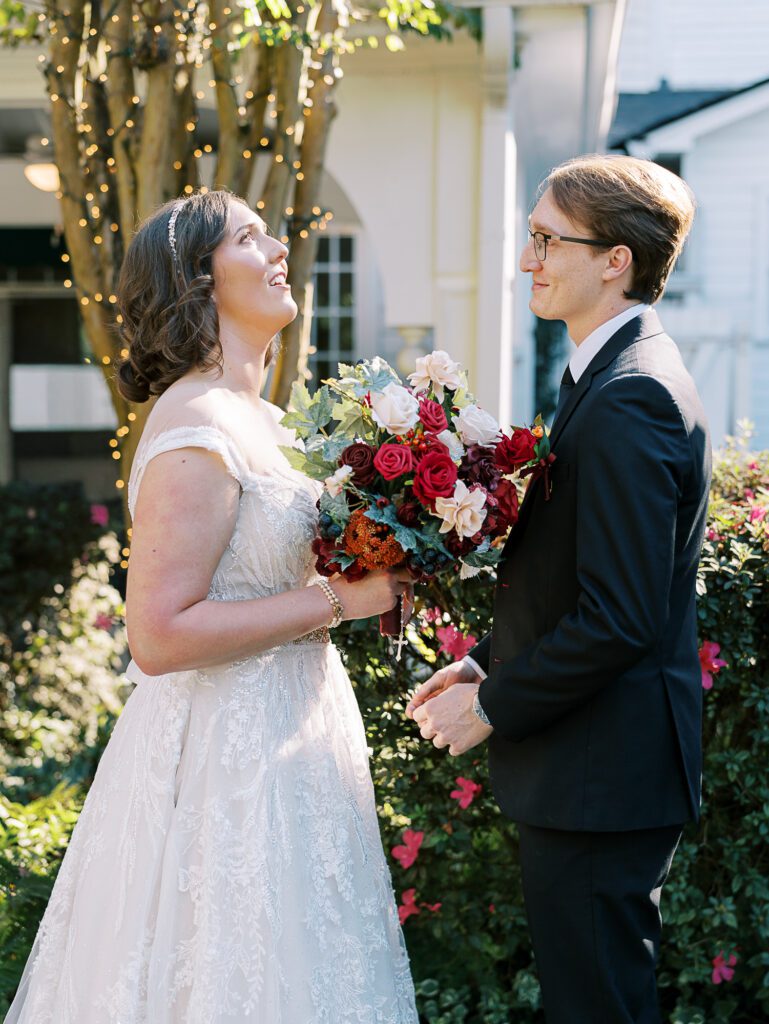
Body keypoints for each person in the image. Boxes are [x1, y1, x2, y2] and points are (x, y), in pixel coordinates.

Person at [6, 190, 418, 1024]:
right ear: (198, 278)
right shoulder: (196, 423)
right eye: (248, 237)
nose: (277, 249)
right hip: (224, 766)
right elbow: (157, 637)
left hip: (296, 740)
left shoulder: (268, 419)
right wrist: (334, 602)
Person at [407, 154, 711, 1024]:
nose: (526, 259)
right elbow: (587, 584)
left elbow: (618, 617)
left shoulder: (631, 396)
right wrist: (482, 665)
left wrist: (496, 702)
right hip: (596, 766)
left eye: (546, 240)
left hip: (601, 773)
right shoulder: (608, 378)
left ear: (614, 258)